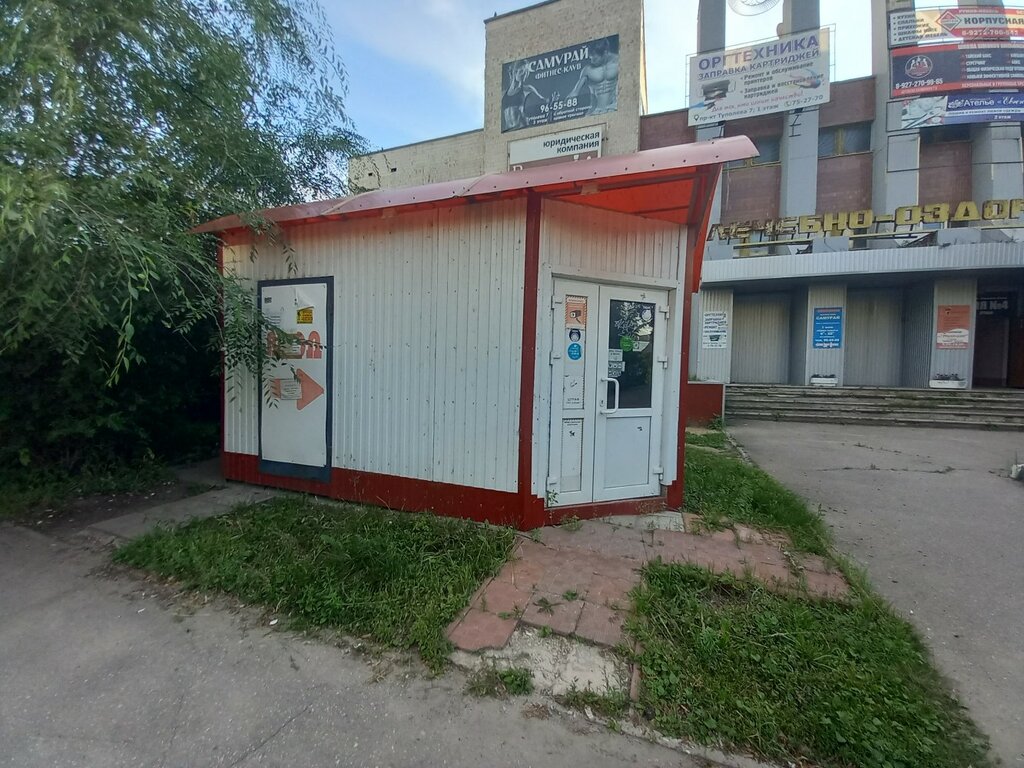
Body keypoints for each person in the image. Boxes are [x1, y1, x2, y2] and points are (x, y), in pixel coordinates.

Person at [568, 38, 619, 115]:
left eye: (595, 58)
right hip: (594, 111)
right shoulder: (587, 70)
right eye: (590, 58)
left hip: (613, 108)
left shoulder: (618, 62)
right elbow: (574, 93)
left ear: (605, 53)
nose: (591, 61)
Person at [502, 59, 544, 130]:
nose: (525, 74)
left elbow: (543, 100)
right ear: (515, 72)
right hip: (508, 131)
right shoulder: (503, 93)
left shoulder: (527, 89)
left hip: (521, 128)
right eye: (522, 71)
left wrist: (553, 100)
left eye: (526, 72)